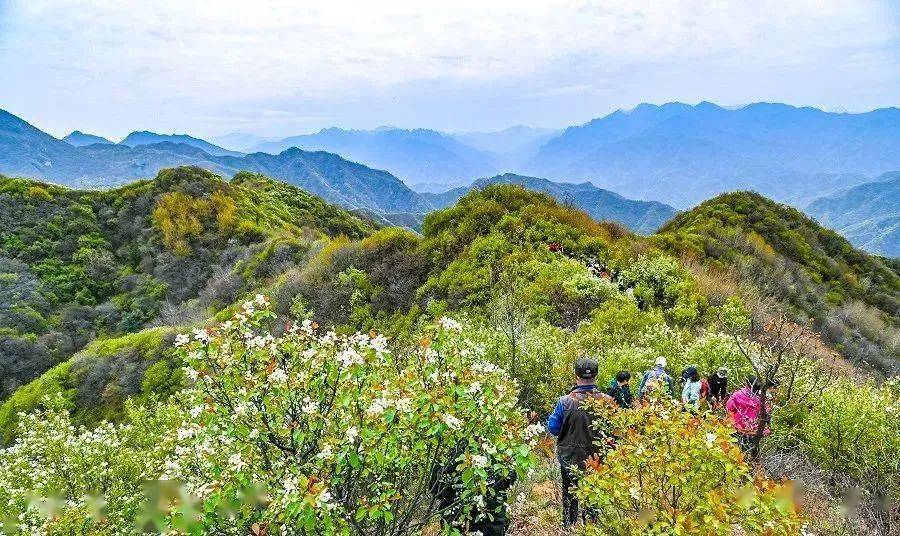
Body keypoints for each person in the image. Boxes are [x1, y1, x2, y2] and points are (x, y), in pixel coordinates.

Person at [547, 357, 614, 527]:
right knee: (593, 495)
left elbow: (553, 428)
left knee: (570, 496)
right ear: (596, 376)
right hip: (597, 459)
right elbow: (614, 432)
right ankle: (591, 527)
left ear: (576, 375)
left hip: (570, 457)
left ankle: (569, 527)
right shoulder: (607, 401)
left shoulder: (565, 401)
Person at [725, 376, 771, 458]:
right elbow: (767, 413)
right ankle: (752, 463)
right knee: (752, 448)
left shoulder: (738, 394)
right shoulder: (763, 398)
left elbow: (729, 408)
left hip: (738, 426)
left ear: (747, 383)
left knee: (735, 449)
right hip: (755, 428)